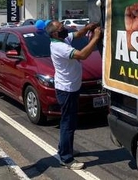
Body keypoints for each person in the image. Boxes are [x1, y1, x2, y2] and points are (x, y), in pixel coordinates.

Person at [45, 20, 102, 170]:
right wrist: (96, 37)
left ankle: (65, 148)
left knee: (70, 122)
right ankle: (66, 158)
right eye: (61, 27)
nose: (65, 28)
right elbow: (82, 55)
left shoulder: (62, 39)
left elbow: (77, 34)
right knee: (68, 124)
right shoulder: (59, 46)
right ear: (55, 33)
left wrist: (88, 28)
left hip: (71, 88)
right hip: (67, 90)